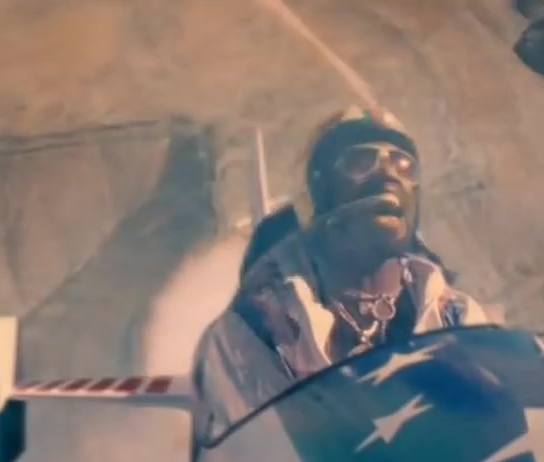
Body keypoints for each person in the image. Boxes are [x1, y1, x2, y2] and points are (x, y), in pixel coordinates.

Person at [193, 107, 497, 421]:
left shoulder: (455, 316)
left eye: (403, 164)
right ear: (321, 191)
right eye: (360, 162)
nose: (388, 174)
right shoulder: (259, 322)